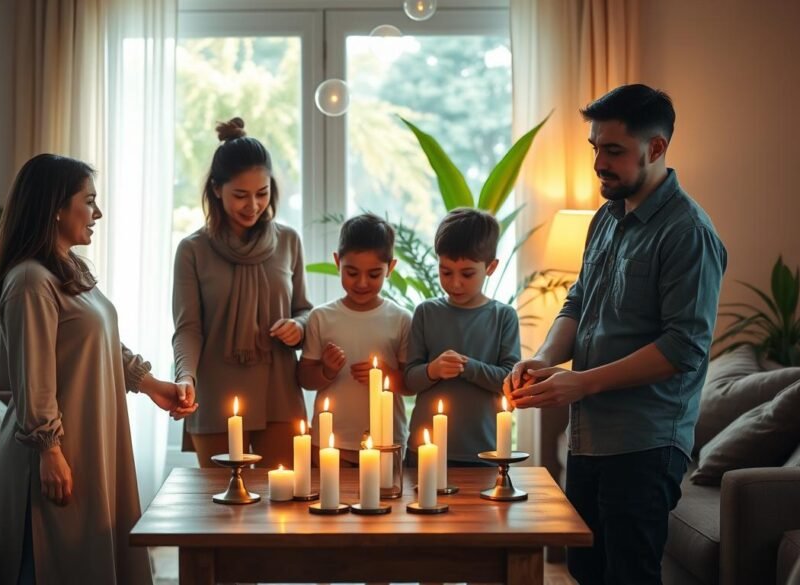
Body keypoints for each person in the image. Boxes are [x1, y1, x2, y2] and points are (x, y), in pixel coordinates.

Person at [506, 84, 727, 585]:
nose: (598, 163)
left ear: (655, 148)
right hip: (590, 439)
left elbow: (683, 348)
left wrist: (581, 383)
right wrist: (545, 358)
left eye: (613, 150)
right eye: (595, 147)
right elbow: (579, 302)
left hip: (645, 446)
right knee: (585, 568)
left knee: (629, 575)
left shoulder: (688, 232)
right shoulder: (606, 218)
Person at [0, 154, 197, 585]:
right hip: (57, 449)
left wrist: (151, 385)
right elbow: (32, 378)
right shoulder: (28, 282)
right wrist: (49, 450)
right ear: (56, 207)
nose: (97, 213)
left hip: (87, 439)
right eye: (89, 201)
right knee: (54, 563)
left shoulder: (67, 269)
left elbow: (102, 344)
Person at [172, 117, 312, 468]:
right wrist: (184, 376)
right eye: (240, 195)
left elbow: (305, 310)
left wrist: (300, 327)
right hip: (216, 395)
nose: (253, 205)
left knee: (281, 510)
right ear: (217, 190)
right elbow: (188, 328)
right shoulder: (192, 250)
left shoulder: (289, 241)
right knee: (220, 511)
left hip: (279, 393)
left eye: (262, 194)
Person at [403, 208, 521, 466]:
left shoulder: (504, 316)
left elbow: (510, 379)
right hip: (425, 450)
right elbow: (410, 379)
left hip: (484, 453)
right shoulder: (426, 312)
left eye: (467, 274)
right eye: (446, 272)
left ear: (490, 267)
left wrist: (469, 367)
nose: (455, 283)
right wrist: (433, 370)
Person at [297, 213, 411, 464]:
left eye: (373, 274)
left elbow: (410, 384)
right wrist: (326, 370)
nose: (361, 283)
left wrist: (387, 375)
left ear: (390, 268)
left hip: (386, 442)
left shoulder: (401, 319)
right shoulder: (321, 317)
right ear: (337, 262)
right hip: (330, 442)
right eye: (351, 272)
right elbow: (304, 378)